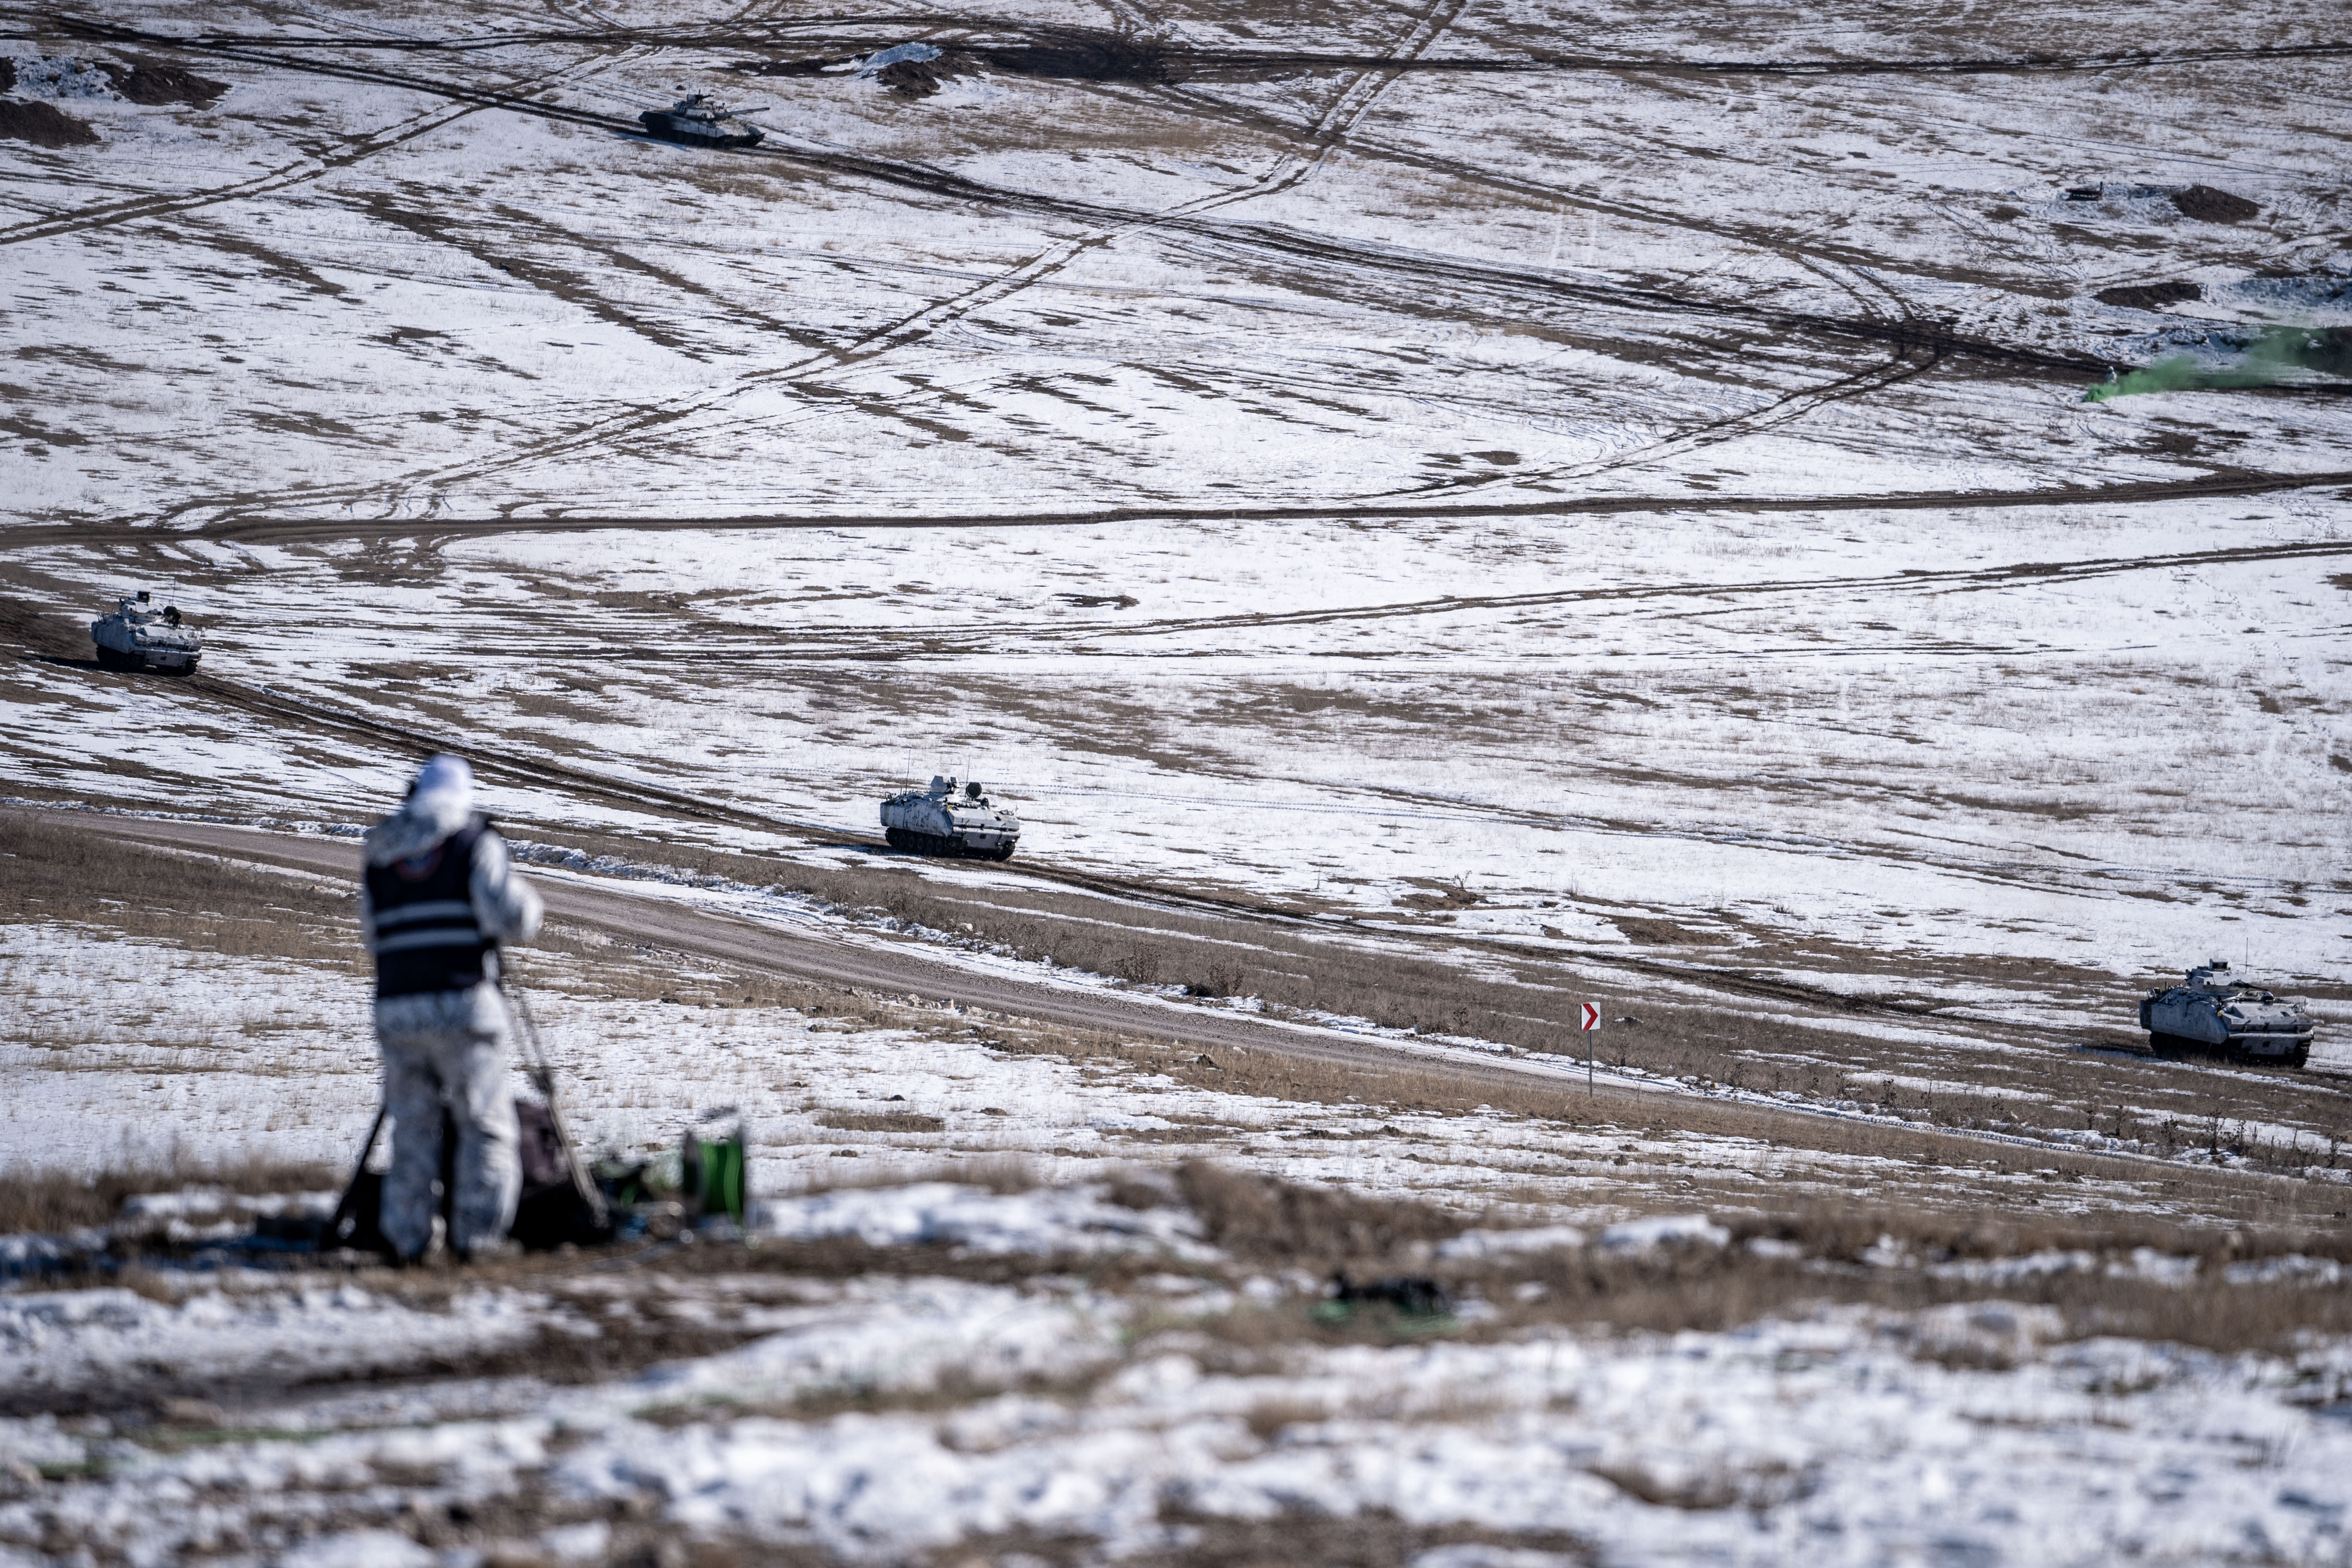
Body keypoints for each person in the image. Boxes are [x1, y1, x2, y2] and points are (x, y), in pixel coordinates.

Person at [359, 754, 543, 1262]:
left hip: (398, 1007)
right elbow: (513, 917)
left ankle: (407, 1239)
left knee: (413, 1128)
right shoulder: (472, 843)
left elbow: (372, 932)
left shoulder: (379, 853)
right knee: (484, 1124)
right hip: (463, 1006)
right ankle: (477, 1240)